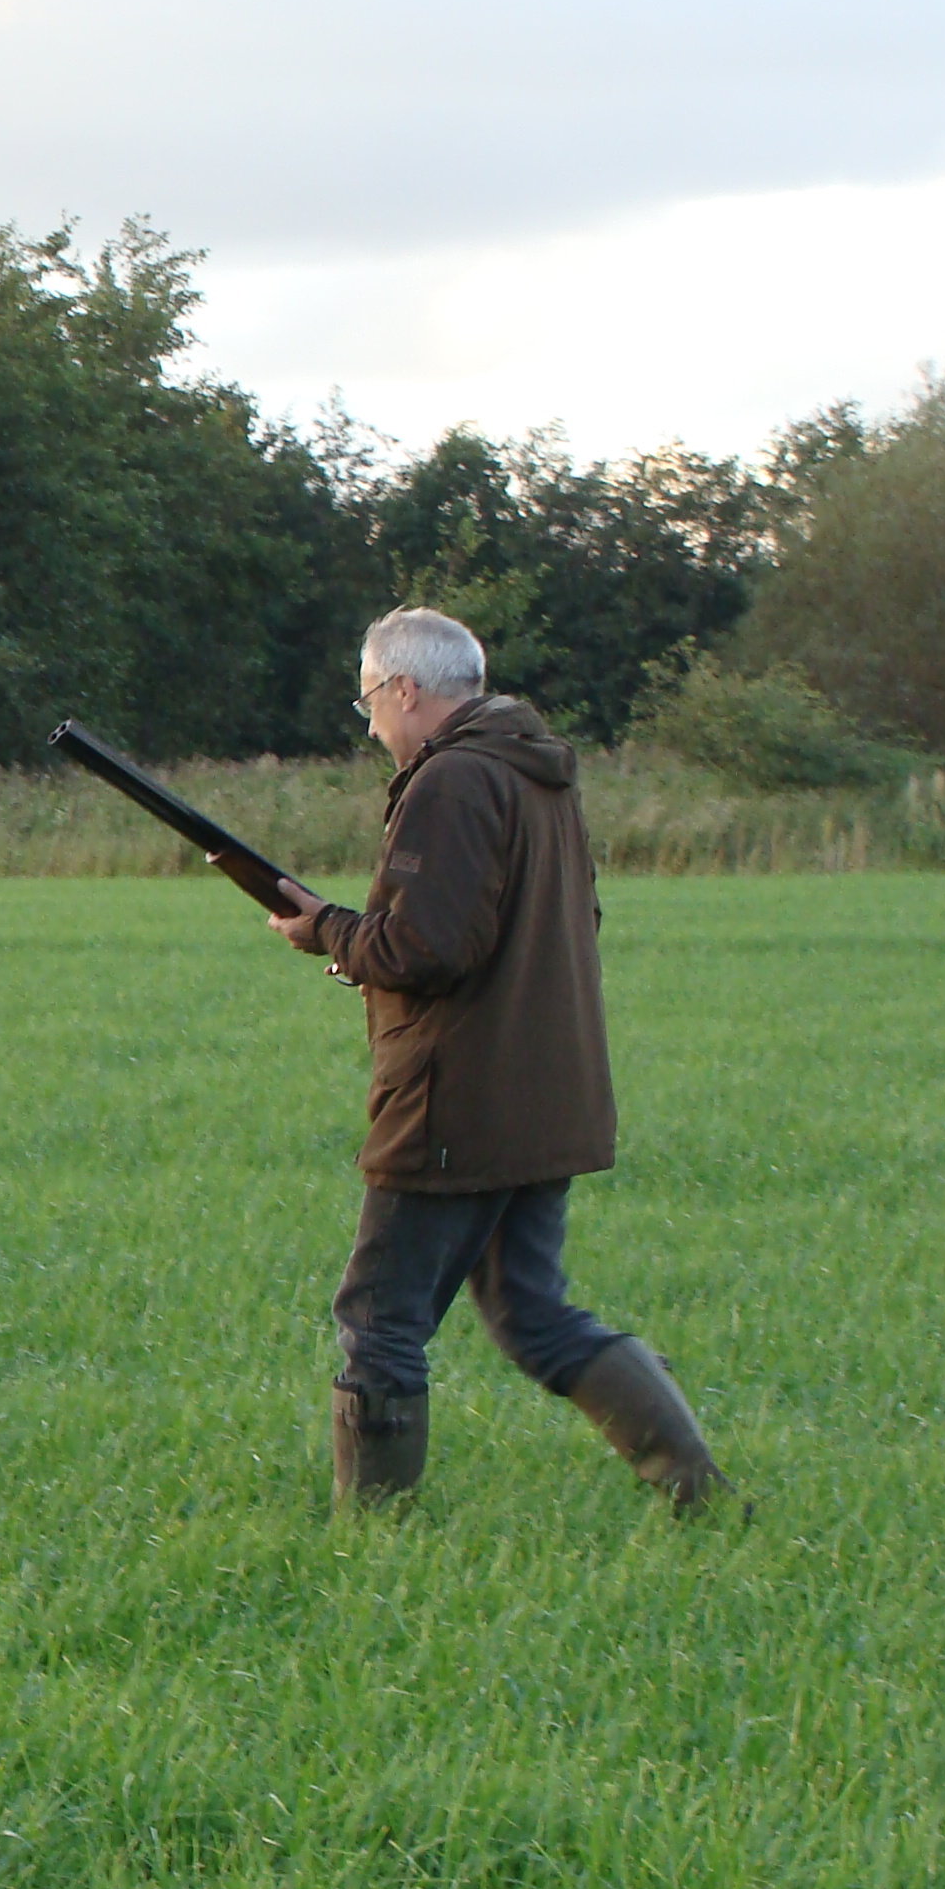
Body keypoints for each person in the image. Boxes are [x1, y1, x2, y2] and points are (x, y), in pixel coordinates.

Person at [266, 606, 736, 1511]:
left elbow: (426, 948)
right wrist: (347, 934)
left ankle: (373, 1540)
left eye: (370, 701)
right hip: (544, 1096)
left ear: (406, 689)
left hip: (457, 1100)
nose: (371, 725)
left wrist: (325, 928)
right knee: (533, 1313)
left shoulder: (451, 781)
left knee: (380, 1321)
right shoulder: (536, 774)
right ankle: (698, 1493)